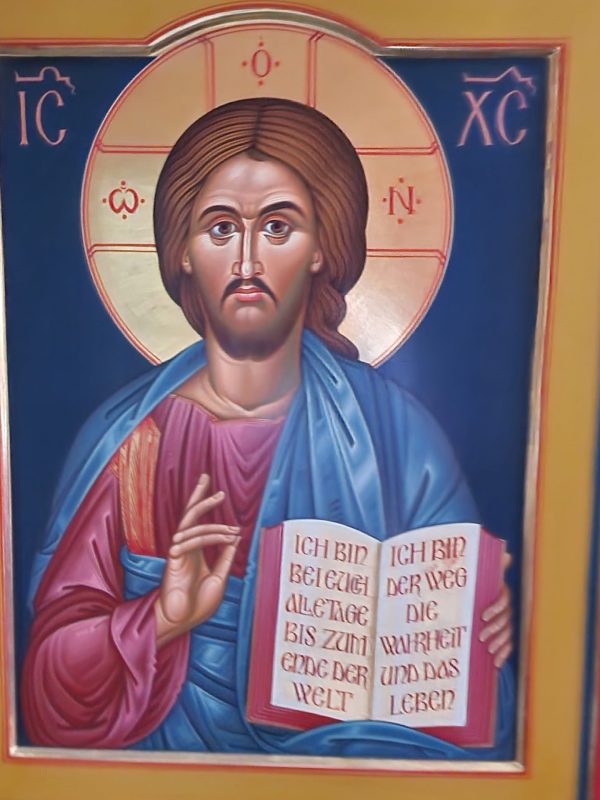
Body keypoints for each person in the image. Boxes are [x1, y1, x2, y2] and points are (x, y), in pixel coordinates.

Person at [22, 98, 514, 758]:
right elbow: (47, 685)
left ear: (321, 248)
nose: (247, 261)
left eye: (278, 227)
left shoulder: (393, 434)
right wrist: (161, 618)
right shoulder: (131, 442)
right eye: (221, 228)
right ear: (183, 251)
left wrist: (472, 632)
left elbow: (465, 696)